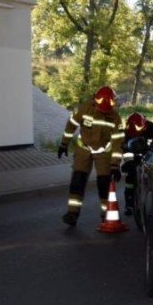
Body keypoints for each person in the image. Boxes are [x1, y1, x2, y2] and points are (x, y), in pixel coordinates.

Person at [57, 85, 124, 226]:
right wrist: (64, 144)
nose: (103, 111)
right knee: (77, 180)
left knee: (104, 183)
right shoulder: (85, 108)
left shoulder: (115, 118)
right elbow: (71, 125)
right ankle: (72, 213)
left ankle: (106, 214)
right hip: (84, 150)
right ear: (95, 100)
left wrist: (115, 165)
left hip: (103, 152)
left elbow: (118, 143)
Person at [121, 112, 153, 215]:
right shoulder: (127, 132)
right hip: (133, 154)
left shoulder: (152, 128)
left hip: (149, 155)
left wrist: (150, 156)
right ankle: (129, 204)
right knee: (130, 177)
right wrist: (128, 163)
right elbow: (125, 150)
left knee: (152, 178)